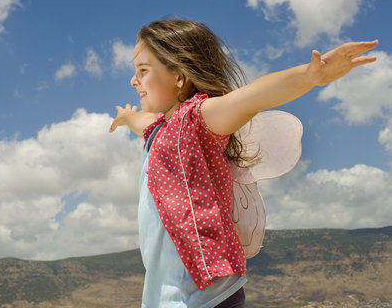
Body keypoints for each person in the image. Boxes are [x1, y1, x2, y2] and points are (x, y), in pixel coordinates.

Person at [108, 19, 378, 308]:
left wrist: (309, 76)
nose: (133, 81)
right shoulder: (158, 130)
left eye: (142, 71)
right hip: (166, 296)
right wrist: (126, 117)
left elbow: (252, 97)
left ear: (179, 76)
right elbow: (141, 122)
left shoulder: (199, 119)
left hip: (208, 297)